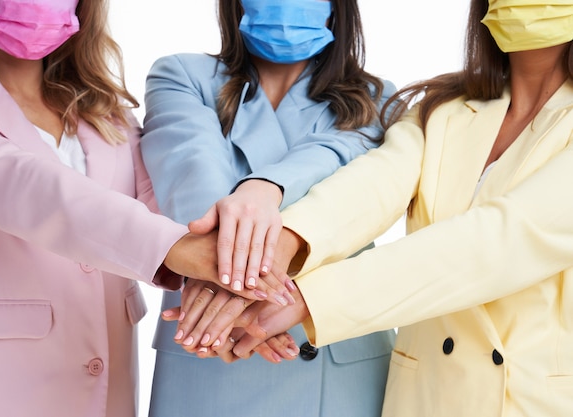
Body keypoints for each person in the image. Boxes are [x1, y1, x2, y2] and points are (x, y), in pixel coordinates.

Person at [187, 0, 573, 415]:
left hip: (533, 400)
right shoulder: (442, 107)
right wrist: (279, 248)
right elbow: (371, 186)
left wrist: (302, 298)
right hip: (424, 398)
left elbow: (497, 242)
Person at [0, 1, 277, 416]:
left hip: (106, 384)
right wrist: (179, 250)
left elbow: (170, 210)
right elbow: (24, 186)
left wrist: (223, 302)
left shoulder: (106, 112)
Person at [140, 0, 397, 415]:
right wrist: (228, 277)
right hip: (211, 346)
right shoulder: (182, 75)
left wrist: (263, 189)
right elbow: (189, 164)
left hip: (331, 354)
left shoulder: (375, 97)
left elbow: (337, 156)